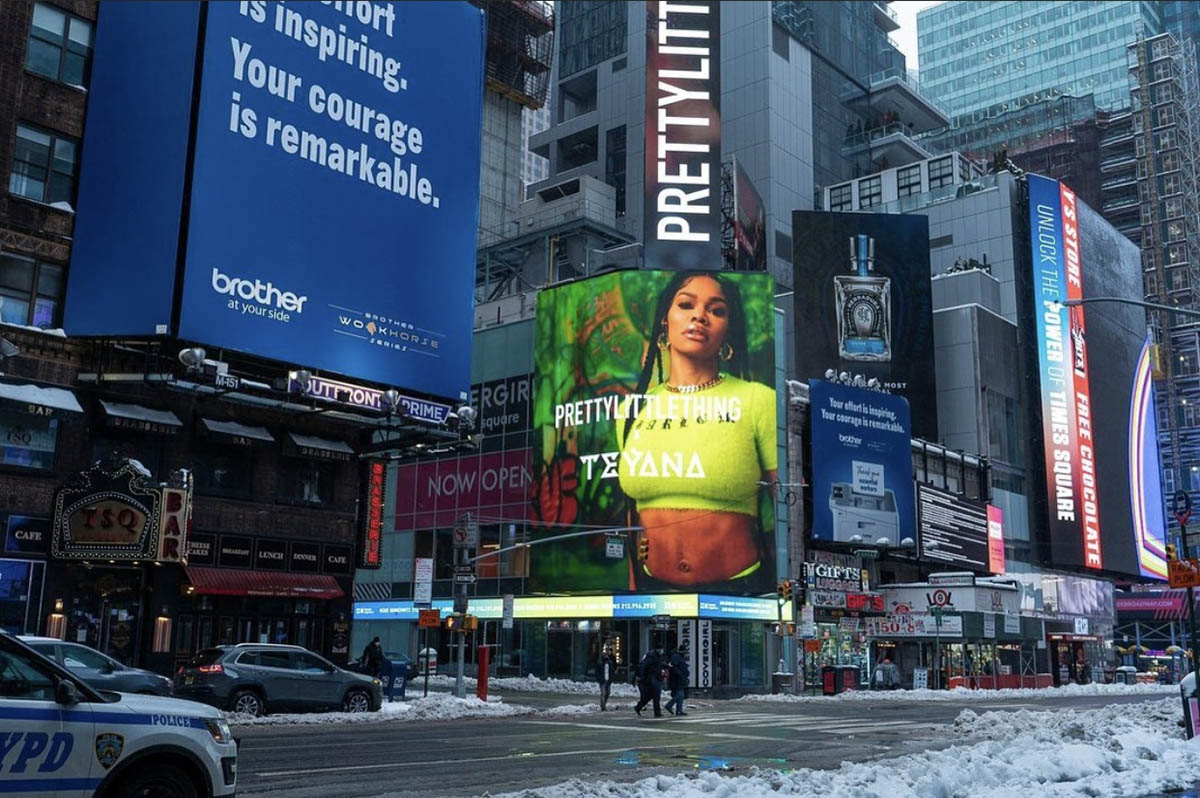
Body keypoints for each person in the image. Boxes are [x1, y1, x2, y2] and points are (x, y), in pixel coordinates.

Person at [619, 272, 777, 591]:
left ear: (727, 330)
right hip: (653, 586)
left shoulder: (758, 400)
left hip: (740, 586)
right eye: (685, 304)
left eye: (716, 310)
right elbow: (632, 519)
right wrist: (635, 588)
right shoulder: (632, 410)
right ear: (666, 319)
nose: (699, 317)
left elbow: (783, 504)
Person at [634, 647, 663, 718]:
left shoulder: (656, 656)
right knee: (656, 695)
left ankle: (638, 707)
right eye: (661, 649)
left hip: (654, 678)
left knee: (650, 696)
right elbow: (643, 666)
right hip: (652, 678)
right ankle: (657, 712)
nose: (662, 651)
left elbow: (658, 665)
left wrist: (666, 666)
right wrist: (640, 676)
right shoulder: (651, 656)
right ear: (658, 649)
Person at [664, 644, 690, 716]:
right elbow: (673, 667)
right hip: (676, 679)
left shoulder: (680, 657)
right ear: (682, 651)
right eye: (685, 651)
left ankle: (679, 710)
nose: (685, 653)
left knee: (681, 695)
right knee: (680, 695)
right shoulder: (676, 657)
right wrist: (680, 674)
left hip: (680, 679)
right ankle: (669, 705)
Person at [597, 646, 615, 711]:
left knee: (608, 693)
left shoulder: (610, 663)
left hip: (608, 680)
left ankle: (604, 703)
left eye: (607, 655)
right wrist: (599, 679)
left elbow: (612, 672)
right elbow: (597, 672)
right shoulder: (600, 663)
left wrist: (611, 679)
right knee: (603, 693)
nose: (606, 657)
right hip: (602, 680)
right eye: (605, 655)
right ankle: (603, 706)